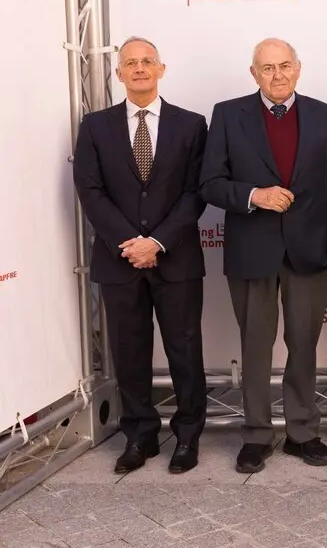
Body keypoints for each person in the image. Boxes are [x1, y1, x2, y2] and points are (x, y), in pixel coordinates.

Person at [199, 38, 327, 474]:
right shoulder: (228, 115)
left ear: (299, 68)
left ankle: (302, 433)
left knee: (303, 346)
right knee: (255, 348)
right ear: (253, 73)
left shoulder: (324, 115)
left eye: (285, 66)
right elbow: (209, 183)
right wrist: (254, 196)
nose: (278, 75)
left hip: (312, 253)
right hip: (253, 252)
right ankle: (256, 436)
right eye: (267, 68)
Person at [73, 36, 208, 475]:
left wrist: (158, 242)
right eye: (130, 63)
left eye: (147, 61)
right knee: (129, 352)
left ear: (161, 68)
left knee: (184, 349)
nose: (139, 68)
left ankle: (187, 437)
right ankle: (140, 436)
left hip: (177, 258)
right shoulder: (95, 126)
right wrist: (129, 243)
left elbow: (195, 193)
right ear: (119, 74)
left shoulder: (191, 125)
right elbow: (90, 191)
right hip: (119, 261)